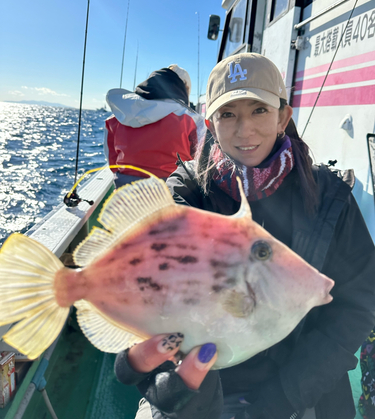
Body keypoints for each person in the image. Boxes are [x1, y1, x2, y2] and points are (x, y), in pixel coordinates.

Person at [114, 53, 375, 419]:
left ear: (283, 116)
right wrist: (161, 374)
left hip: (303, 389)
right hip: (202, 389)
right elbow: (153, 292)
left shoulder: (331, 197)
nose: (244, 129)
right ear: (210, 123)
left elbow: (357, 306)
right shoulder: (186, 195)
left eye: (259, 110)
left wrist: (282, 398)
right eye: (228, 114)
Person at [104, 64, 205, 188]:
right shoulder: (192, 120)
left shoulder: (115, 118)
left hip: (126, 195)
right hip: (173, 195)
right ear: (183, 89)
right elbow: (201, 164)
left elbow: (113, 163)